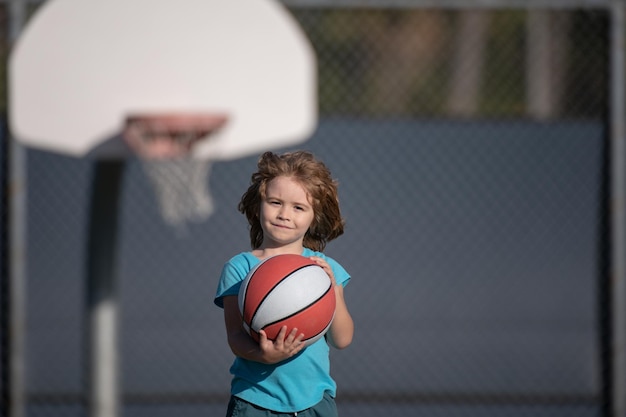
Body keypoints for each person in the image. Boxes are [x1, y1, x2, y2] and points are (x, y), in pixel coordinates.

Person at [214, 150, 354, 416]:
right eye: (275, 202)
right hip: (255, 400)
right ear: (258, 205)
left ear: (314, 216)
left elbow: (342, 339)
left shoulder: (324, 269)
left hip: (315, 401)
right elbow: (235, 337)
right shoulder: (240, 268)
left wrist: (331, 287)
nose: (284, 214)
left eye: (298, 207)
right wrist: (263, 356)